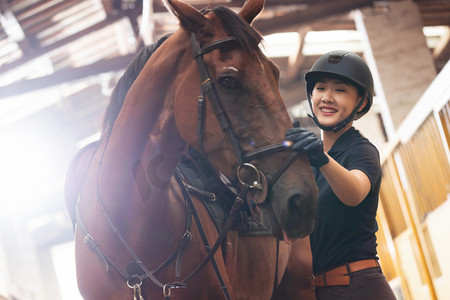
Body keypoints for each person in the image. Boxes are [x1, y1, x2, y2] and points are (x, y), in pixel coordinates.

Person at [285, 50, 396, 299]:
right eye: (320, 88)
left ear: (362, 102)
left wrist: (321, 159)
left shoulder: (362, 151)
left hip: (359, 287)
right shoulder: (306, 161)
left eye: (340, 90)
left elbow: (354, 192)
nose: (327, 97)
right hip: (317, 290)